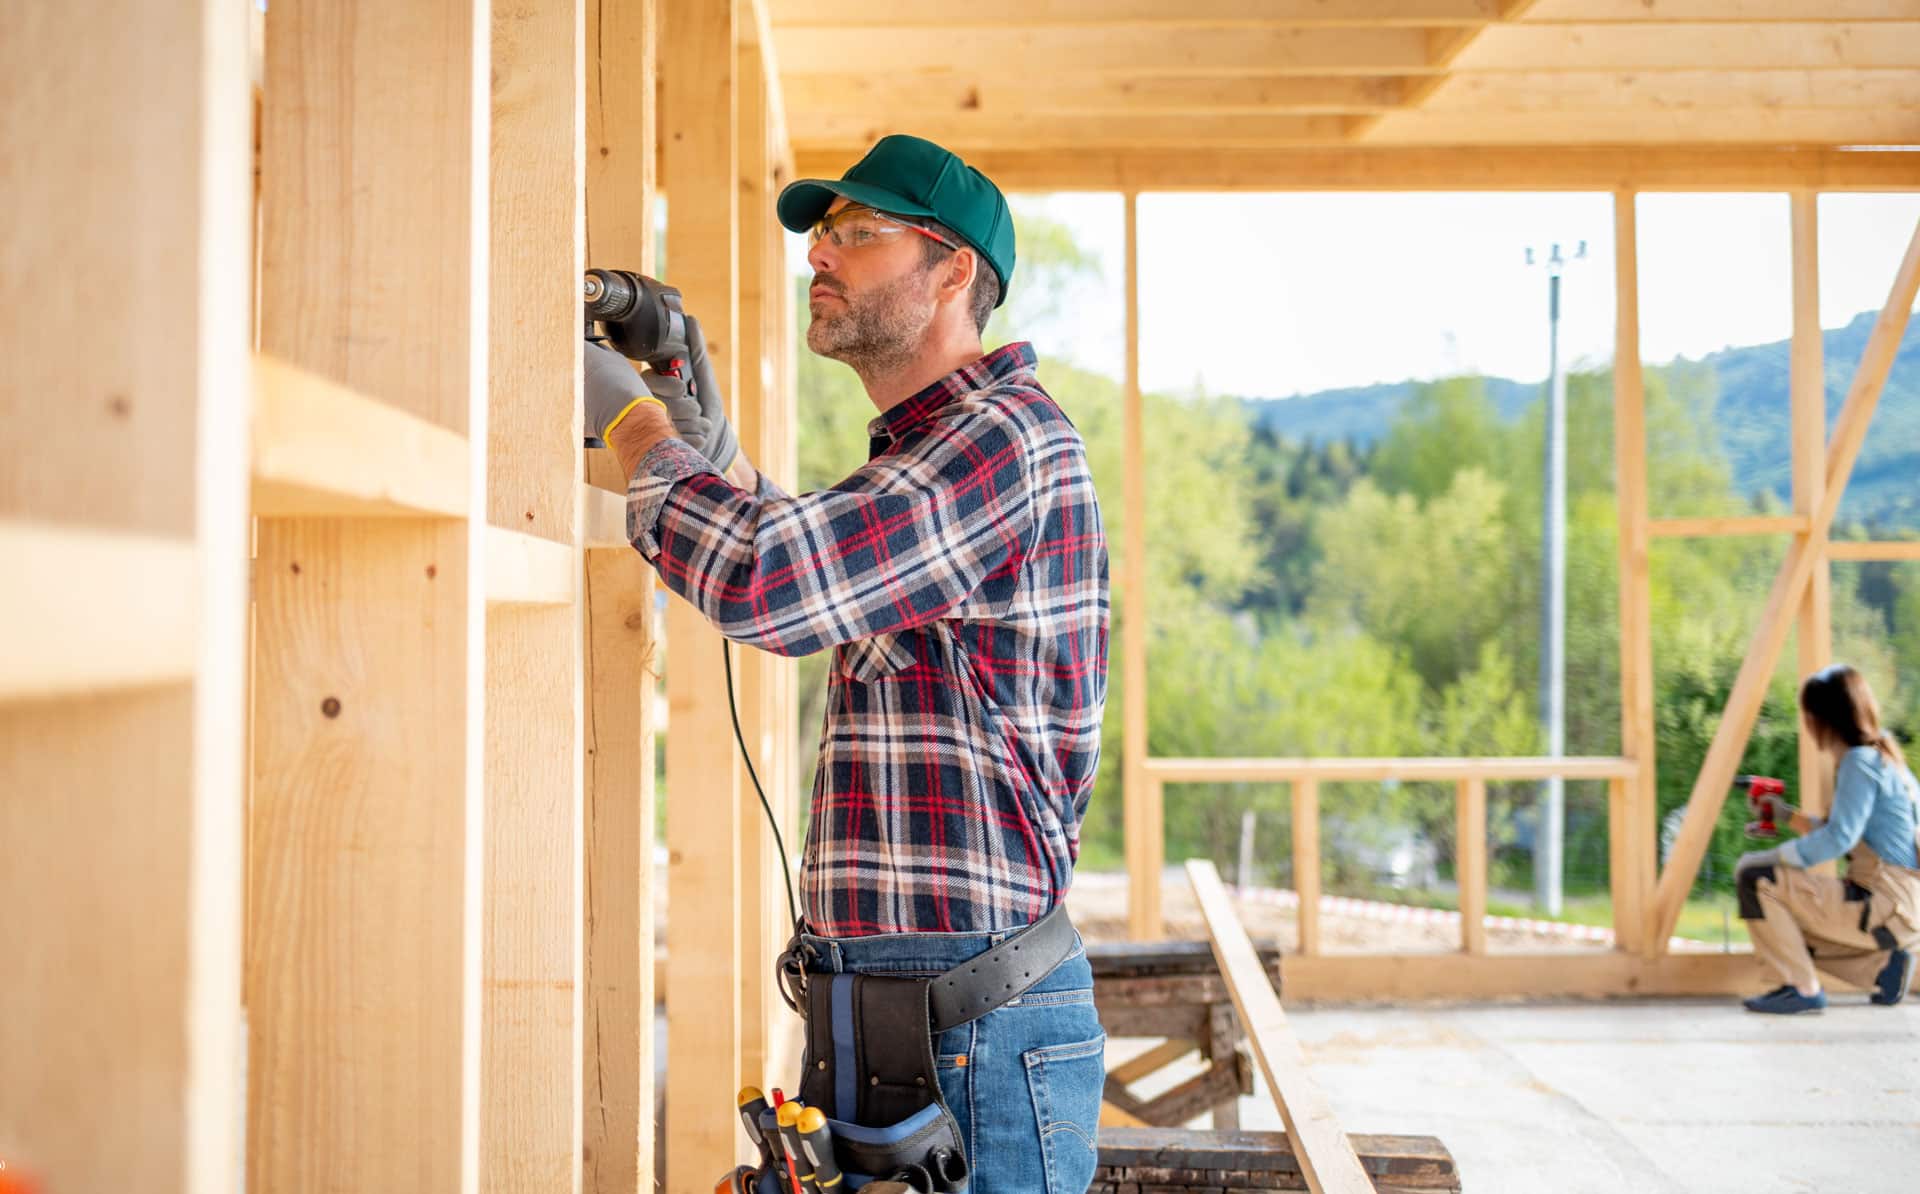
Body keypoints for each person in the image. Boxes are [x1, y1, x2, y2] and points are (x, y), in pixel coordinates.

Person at [581, 135, 1108, 1193]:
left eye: (859, 236)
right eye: (822, 237)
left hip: (972, 1033)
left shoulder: (1005, 440)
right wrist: (706, 440)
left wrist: (637, 428)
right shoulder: (930, 454)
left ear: (953, 270)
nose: (821, 258)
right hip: (905, 1014)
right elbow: (822, 557)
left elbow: (775, 583)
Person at [1736, 664, 1920, 1013]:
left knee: (1753, 877)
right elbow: (1849, 833)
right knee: (1782, 931)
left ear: (1819, 719)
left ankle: (1800, 989)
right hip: (1901, 908)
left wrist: (1773, 858)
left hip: (1880, 903)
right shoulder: (1887, 760)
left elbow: (1839, 838)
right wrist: (1787, 814)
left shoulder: (1858, 762)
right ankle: (1882, 970)